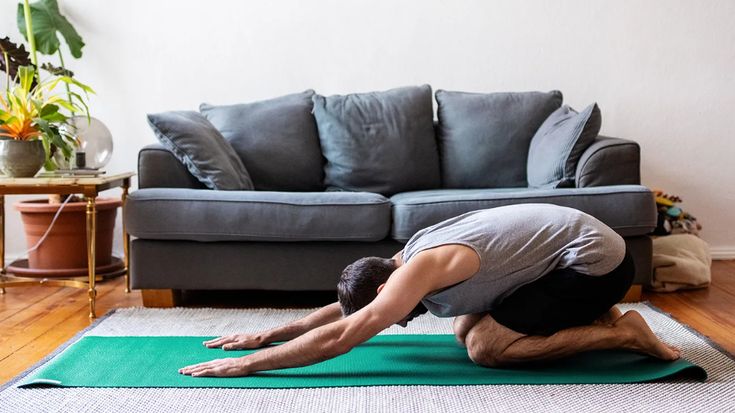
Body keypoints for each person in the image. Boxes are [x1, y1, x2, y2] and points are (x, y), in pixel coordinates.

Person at [180, 204, 679, 377]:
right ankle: (593, 319)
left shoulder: (420, 269)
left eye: (388, 308)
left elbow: (344, 335)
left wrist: (249, 366)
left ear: (386, 285)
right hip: (564, 254)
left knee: (486, 347)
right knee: (464, 328)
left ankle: (625, 334)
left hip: (597, 265)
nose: (397, 320)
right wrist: (270, 334)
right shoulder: (404, 261)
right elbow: (345, 311)